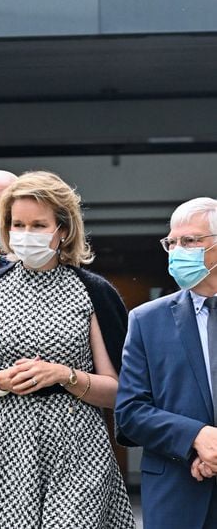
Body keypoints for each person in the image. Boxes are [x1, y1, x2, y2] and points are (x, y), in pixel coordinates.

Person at [0, 170, 135, 528]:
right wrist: (0, 381)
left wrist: (65, 375)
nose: (25, 234)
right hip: (3, 444)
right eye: (17, 224)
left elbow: (119, 392)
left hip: (77, 446)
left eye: (38, 225)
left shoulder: (93, 290)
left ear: (62, 230)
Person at [115, 197, 217, 528]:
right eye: (171, 242)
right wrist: (195, 438)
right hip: (177, 493)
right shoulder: (146, 320)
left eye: (189, 241)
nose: (177, 250)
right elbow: (129, 414)